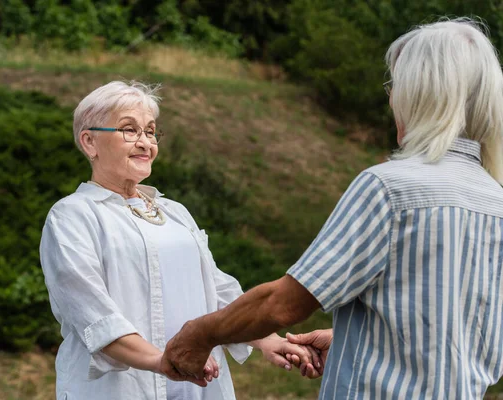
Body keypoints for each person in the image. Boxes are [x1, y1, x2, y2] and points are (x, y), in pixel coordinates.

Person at [162, 17, 503, 399]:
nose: (391, 98)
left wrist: (200, 332)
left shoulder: (389, 188)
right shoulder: (496, 200)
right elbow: (453, 327)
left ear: (419, 93)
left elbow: (283, 304)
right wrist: (354, 337)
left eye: (395, 86)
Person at [39, 81, 320, 400]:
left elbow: (216, 290)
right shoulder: (72, 216)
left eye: (150, 131)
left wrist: (268, 340)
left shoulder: (175, 213)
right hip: (121, 391)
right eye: (129, 130)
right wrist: (161, 361)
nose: (145, 142)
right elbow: (92, 312)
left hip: (197, 388)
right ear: (89, 142)